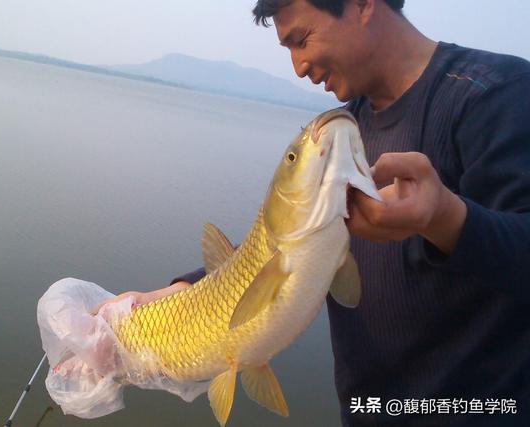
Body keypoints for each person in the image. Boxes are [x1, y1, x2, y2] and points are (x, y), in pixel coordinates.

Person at [95, 0, 530, 425]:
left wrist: (445, 218)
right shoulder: (343, 129)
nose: (298, 67)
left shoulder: (496, 93)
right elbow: (284, 245)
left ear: (362, 5)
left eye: (300, 40)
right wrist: (177, 292)